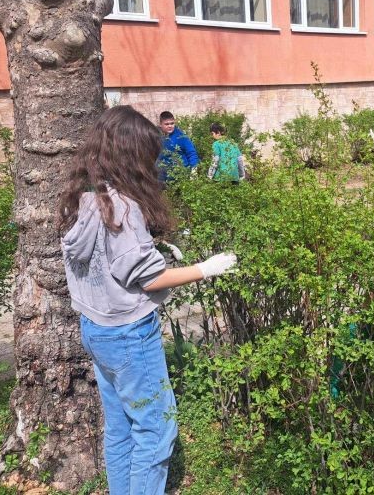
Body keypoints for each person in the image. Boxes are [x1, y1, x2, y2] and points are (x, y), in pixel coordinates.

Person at [59, 106, 237, 495]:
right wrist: (206, 268)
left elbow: (111, 260)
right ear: (131, 155)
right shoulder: (122, 208)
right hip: (129, 334)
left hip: (96, 329)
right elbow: (148, 277)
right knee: (156, 430)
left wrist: (152, 248)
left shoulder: (82, 197)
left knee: (121, 426)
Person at [157, 111, 199, 183]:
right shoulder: (157, 136)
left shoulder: (181, 137)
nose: (170, 126)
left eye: (172, 123)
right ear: (160, 124)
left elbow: (191, 153)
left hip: (180, 176)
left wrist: (194, 170)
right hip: (162, 176)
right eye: (166, 124)